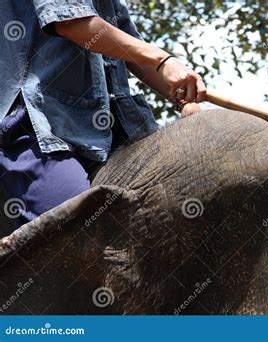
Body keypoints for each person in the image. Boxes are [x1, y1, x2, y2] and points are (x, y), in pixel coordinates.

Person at [0, 0, 206, 228]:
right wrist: (163, 60)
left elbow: (133, 50)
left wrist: (185, 95)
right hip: (38, 128)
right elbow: (70, 22)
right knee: (80, 228)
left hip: (114, 130)